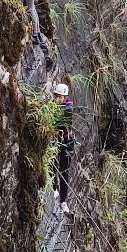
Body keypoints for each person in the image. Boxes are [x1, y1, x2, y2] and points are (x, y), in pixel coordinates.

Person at [52, 83, 75, 214]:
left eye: (60, 97)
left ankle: (63, 201)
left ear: (65, 98)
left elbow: (58, 121)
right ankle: (54, 188)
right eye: (56, 96)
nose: (57, 99)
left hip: (66, 143)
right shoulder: (52, 106)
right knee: (52, 166)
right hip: (55, 141)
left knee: (64, 172)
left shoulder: (68, 108)